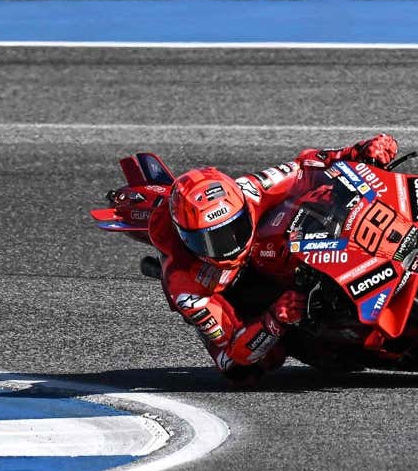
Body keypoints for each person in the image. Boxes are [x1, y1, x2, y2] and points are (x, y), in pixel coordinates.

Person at [147, 134, 399, 384]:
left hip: (274, 247)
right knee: (241, 369)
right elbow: (236, 350)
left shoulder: (250, 189)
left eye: (235, 228)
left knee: (327, 192)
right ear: (186, 239)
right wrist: (275, 319)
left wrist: (357, 152)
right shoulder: (185, 286)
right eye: (212, 241)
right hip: (234, 299)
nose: (230, 244)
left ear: (243, 208)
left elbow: (304, 166)